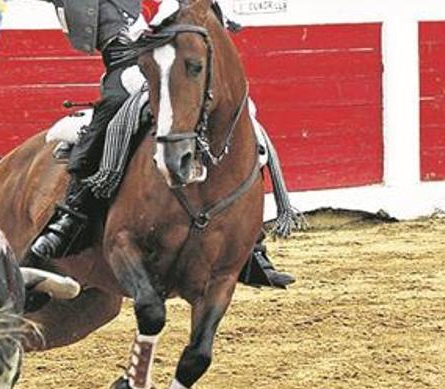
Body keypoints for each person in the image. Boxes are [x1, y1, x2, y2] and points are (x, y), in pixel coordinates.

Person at [28, 0, 295, 289]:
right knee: (111, 116)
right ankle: (72, 216)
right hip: (131, 69)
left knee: (244, 120)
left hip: (182, 66)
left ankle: (250, 243)